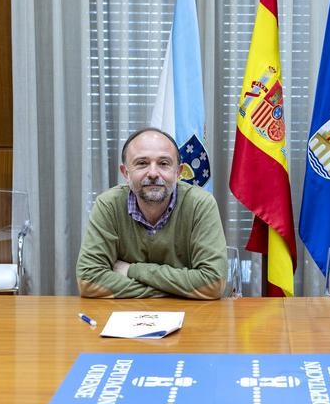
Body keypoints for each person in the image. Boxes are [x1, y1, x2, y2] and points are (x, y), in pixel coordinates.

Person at [76, 127, 227, 298]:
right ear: (126, 173)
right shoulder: (108, 205)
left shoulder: (201, 204)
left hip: (192, 317)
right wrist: (175, 291)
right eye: (142, 163)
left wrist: (132, 270)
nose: (153, 173)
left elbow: (213, 283)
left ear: (178, 172)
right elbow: (88, 280)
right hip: (123, 317)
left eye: (163, 164)